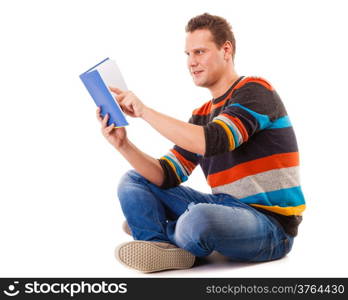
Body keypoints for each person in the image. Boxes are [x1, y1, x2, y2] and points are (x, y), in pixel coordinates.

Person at [96, 13, 306, 273]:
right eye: (188, 54)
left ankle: (160, 226)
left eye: (199, 52)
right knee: (133, 180)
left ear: (226, 50)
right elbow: (166, 174)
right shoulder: (201, 114)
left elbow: (215, 140)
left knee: (198, 218)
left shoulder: (255, 90)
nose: (191, 63)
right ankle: (160, 245)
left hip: (271, 227)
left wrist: (144, 111)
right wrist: (122, 144)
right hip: (225, 208)